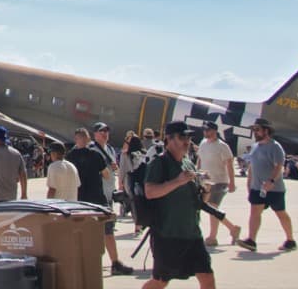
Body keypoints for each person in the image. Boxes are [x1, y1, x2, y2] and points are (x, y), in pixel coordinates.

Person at [139, 121, 215, 289]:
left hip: (192, 233)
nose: (187, 141)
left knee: (207, 276)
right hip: (167, 234)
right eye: (182, 137)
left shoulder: (188, 163)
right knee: (160, 281)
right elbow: (150, 192)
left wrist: (207, 190)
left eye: (188, 137)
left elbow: (200, 201)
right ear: (169, 139)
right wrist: (177, 181)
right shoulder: (159, 163)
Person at [66, 127, 133, 275]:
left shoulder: (70, 156)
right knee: (107, 231)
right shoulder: (96, 155)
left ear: (76, 139)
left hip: (79, 200)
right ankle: (115, 263)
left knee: (79, 233)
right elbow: (107, 175)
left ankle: (81, 264)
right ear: (88, 139)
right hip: (97, 199)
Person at [236, 117, 296, 252]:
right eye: (253, 130)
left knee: (280, 213)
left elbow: (279, 166)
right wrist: (249, 183)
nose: (255, 132)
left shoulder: (275, 147)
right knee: (255, 212)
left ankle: (290, 240)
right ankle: (251, 240)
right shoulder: (255, 147)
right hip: (257, 188)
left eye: (257, 129)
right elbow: (252, 166)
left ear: (266, 130)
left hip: (274, 189)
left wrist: (271, 181)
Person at [197, 121, 237, 246]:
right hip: (206, 181)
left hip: (219, 181)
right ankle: (233, 228)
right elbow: (199, 159)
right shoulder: (203, 143)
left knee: (212, 207)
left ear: (214, 131)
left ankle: (213, 237)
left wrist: (232, 182)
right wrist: (197, 174)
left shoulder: (222, 146)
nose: (205, 132)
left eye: (208, 130)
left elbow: (229, 164)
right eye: (204, 130)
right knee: (210, 208)